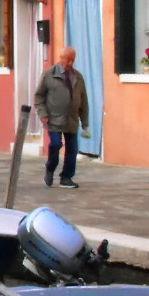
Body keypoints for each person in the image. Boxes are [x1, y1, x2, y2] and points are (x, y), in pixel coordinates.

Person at [33, 46, 89, 189]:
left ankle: (66, 177)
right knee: (55, 144)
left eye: (73, 60)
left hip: (71, 120)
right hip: (53, 119)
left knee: (72, 149)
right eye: (68, 60)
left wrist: (85, 121)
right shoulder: (49, 75)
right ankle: (50, 168)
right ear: (61, 58)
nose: (71, 63)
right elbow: (39, 96)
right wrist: (43, 114)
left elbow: (83, 100)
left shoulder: (78, 77)